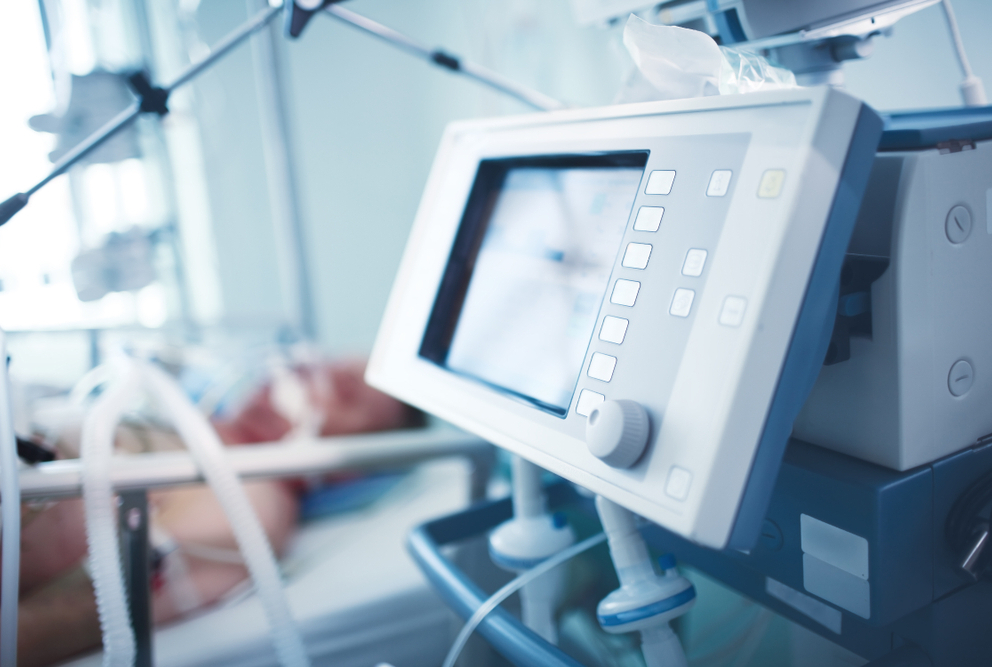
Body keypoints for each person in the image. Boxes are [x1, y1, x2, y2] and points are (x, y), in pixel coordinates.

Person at [10, 358, 419, 667]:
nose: (305, 379)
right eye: (308, 365)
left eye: (345, 394)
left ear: (346, 472)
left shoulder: (251, 496)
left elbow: (71, 619)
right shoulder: (165, 408)